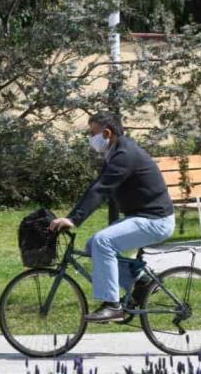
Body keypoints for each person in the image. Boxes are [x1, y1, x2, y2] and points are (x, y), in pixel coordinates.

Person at [48, 111, 175, 323]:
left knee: (102, 241)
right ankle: (142, 281)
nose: (90, 138)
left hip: (156, 221)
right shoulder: (116, 152)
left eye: (92, 133)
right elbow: (103, 189)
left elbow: (101, 189)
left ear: (107, 133)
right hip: (143, 217)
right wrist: (78, 217)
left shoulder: (125, 155)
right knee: (93, 245)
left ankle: (112, 305)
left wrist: (73, 219)